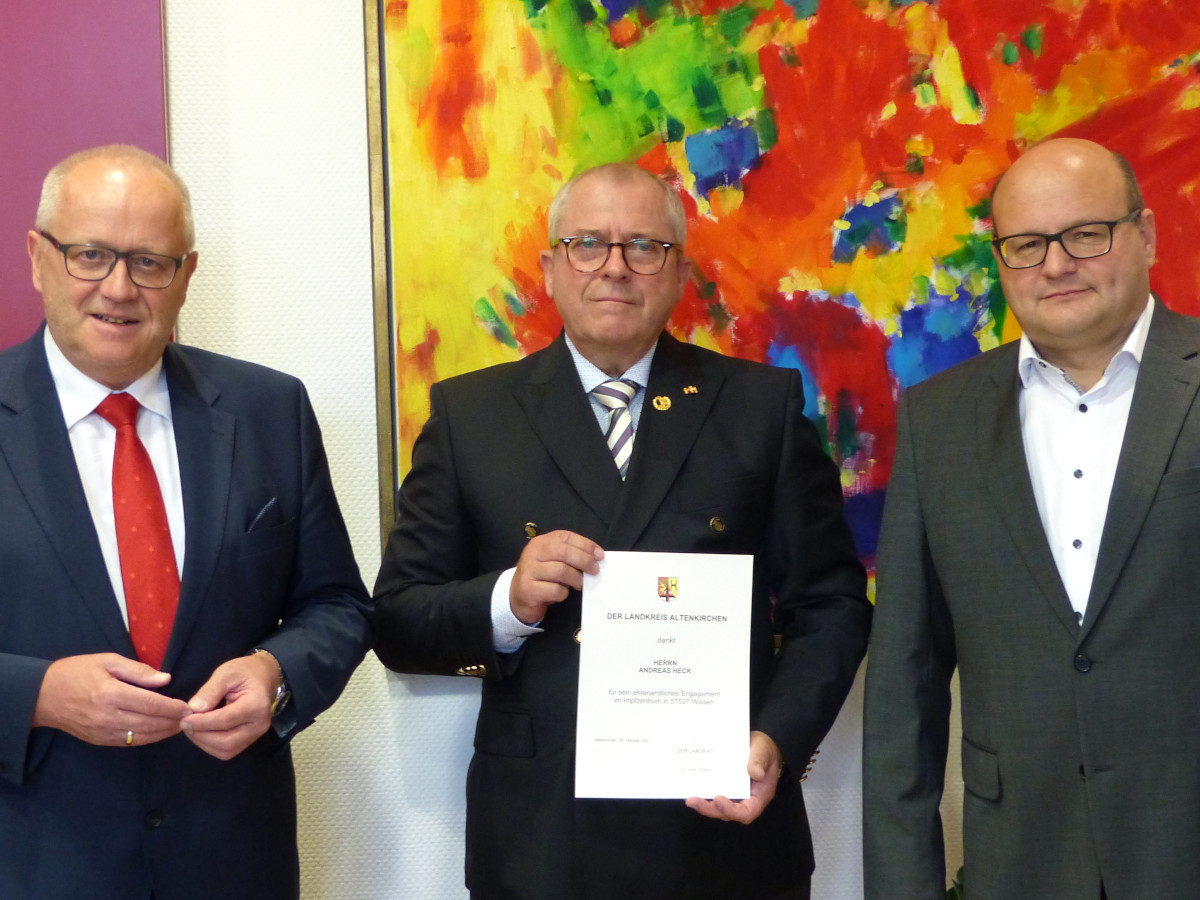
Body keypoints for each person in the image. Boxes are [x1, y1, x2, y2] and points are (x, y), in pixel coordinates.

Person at [373, 162, 871, 899]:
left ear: (678, 274)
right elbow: (398, 621)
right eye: (587, 244)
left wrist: (775, 740)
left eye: (644, 246)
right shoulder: (469, 418)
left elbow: (831, 607)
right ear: (550, 267)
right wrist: (508, 599)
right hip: (541, 844)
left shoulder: (759, 409)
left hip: (722, 836)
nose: (615, 267)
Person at [0, 144, 372, 899]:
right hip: (35, 860)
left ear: (186, 277)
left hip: (232, 859)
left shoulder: (271, 410)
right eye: (90, 254)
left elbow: (336, 606)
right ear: (37, 258)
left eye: (149, 262)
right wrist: (37, 695)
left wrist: (275, 675)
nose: (118, 287)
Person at [862, 137, 1200, 899]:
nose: (1056, 264)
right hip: (1021, 862)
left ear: (1144, 234)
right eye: (1027, 244)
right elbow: (902, 696)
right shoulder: (936, 422)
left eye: (1086, 234)